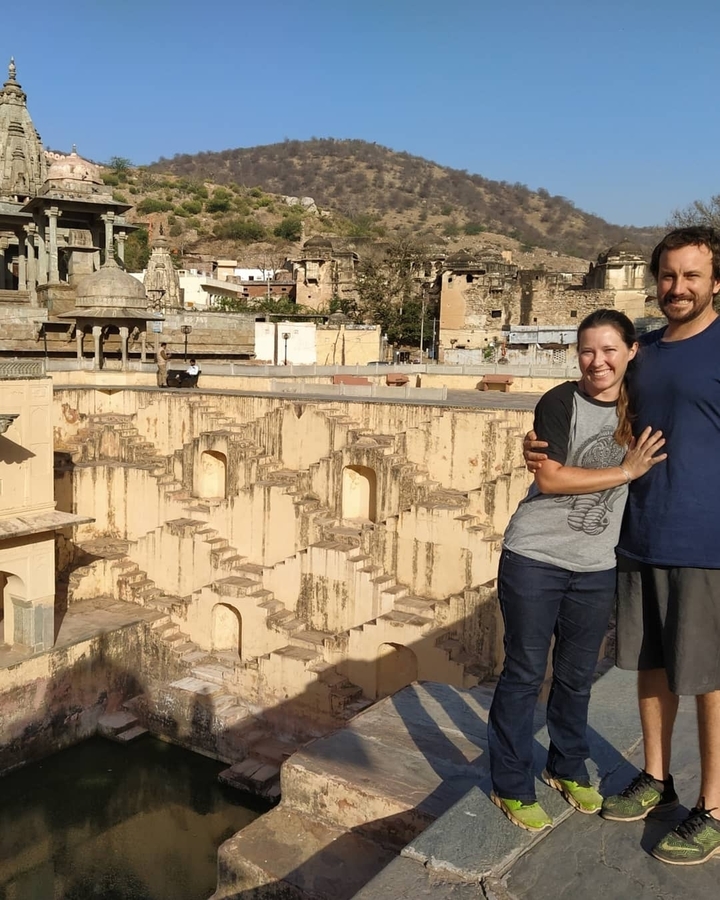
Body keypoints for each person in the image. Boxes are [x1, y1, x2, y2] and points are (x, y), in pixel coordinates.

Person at [523, 226, 720, 865]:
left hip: (707, 541)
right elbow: (594, 402)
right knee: (652, 666)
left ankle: (713, 806)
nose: (678, 288)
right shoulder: (648, 351)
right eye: (668, 276)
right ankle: (657, 778)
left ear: (715, 281)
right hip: (637, 536)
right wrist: (540, 446)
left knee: (711, 678)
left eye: (692, 276)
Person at [488, 309, 666, 833]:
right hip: (536, 557)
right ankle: (511, 785)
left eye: (610, 349)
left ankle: (566, 767)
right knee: (523, 674)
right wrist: (626, 470)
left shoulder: (641, 406)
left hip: (595, 565)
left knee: (575, 678)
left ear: (631, 352)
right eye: (588, 350)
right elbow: (550, 480)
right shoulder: (561, 401)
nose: (598, 361)